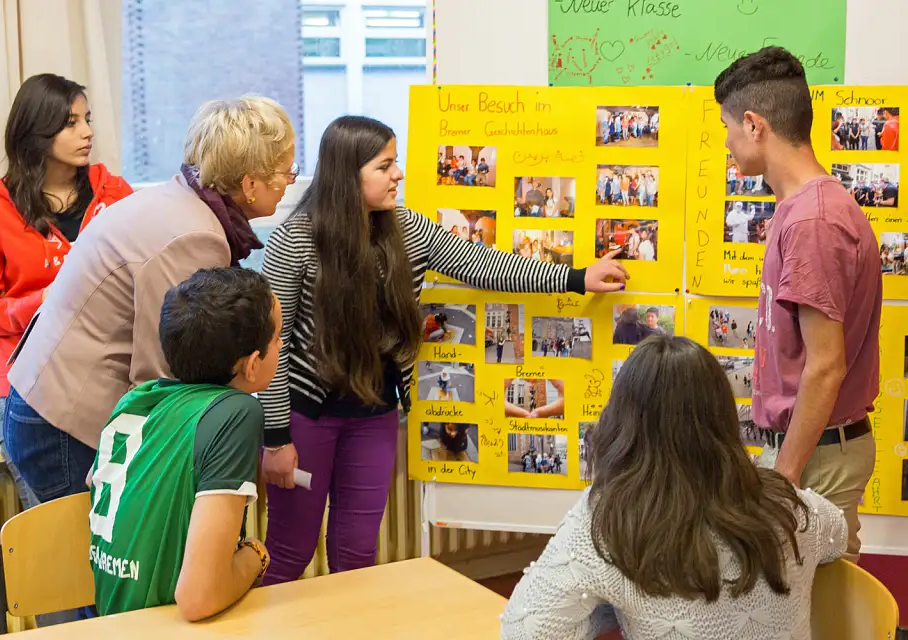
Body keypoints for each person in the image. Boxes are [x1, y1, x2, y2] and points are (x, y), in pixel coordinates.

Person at [259, 115, 629, 584]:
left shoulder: (408, 230)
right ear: (347, 174)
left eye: (397, 163)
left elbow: (487, 267)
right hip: (305, 416)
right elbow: (274, 342)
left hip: (374, 413)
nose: (399, 175)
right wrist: (275, 438)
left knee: (356, 554)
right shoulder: (295, 240)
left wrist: (578, 278)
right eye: (385, 166)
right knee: (288, 553)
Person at [5, 96, 297, 504]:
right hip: (65, 424)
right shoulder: (195, 238)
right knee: (91, 564)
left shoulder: (180, 201)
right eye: (287, 171)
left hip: (47, 399)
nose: (291, 181)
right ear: (250, 185)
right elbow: (162, 374)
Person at [501, 336, 847, 639]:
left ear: (623, 423)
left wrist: (614, 610)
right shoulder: (789, 506)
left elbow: (524, 631)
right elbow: (838, 536)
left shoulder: (609, 522)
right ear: (724, 417)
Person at [715, 46, 881, 561]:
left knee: (815, 618)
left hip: (817, 456)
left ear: (753, 124)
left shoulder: (813, 220)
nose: (727, 143)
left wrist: (784, 476)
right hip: (812, 448)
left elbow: (826, 366)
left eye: (727, 128)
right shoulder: (804, 209)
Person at [0, 74, 132, 513]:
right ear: (37, 131)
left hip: (109, 385)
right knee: (58, 546)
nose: (88, 132)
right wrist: (44, 301)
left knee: (118, 540)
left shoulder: (111, 191)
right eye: (71, 122)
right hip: (30, 394)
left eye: (87, 119)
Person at [89, 267, 280, 620]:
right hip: (163, 623)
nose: (281, 346)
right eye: (277, 339)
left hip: (112, 618)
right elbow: (198, 599)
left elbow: (97, 482)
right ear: (252, 364)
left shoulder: (140, 398)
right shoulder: (237, 412)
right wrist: (256, 555)